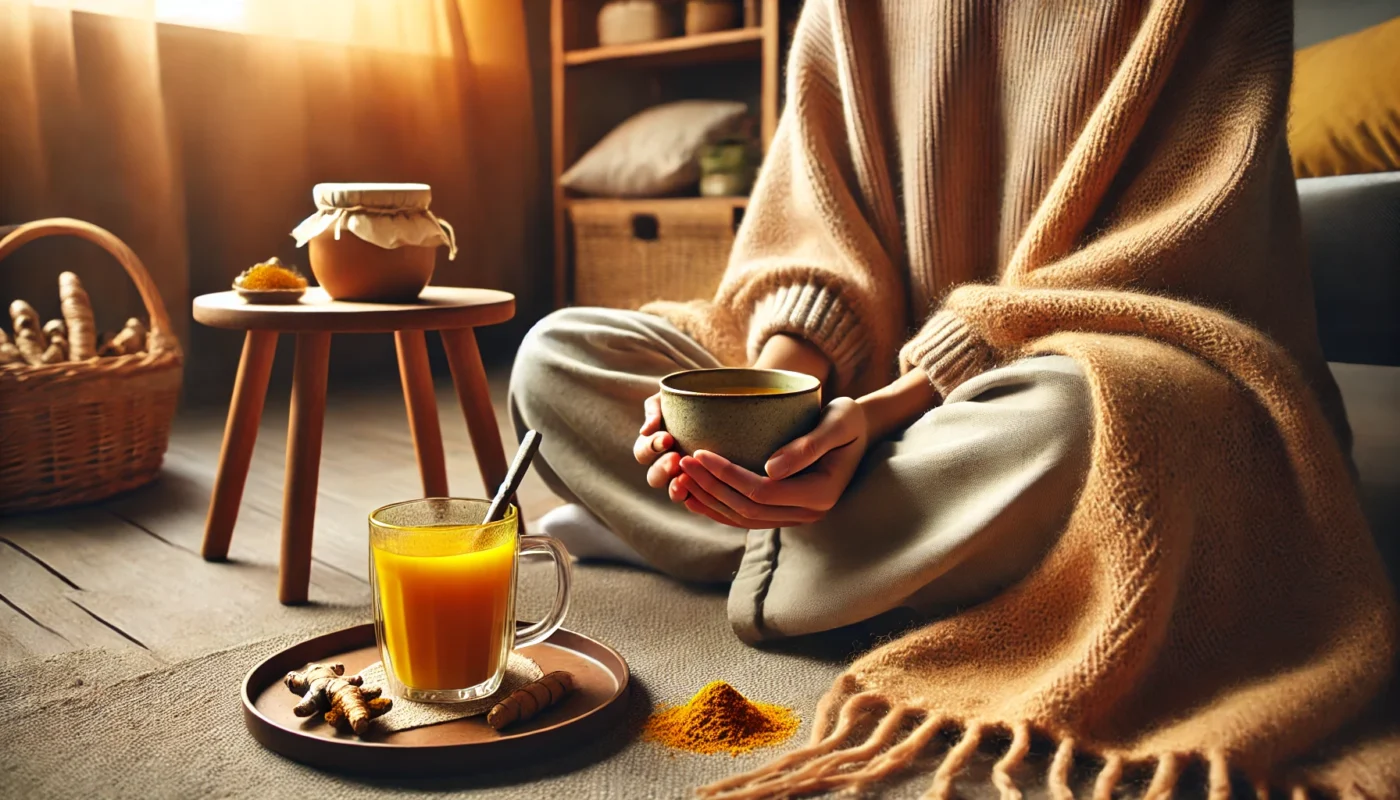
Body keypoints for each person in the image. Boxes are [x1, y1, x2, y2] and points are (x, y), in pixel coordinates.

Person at [510, 0, 1348, 644]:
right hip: (864, 390)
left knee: (1075, 423)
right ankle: (849, 547)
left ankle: (698, 542)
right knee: (556, 357)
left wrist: (884, 412)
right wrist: (777, 405)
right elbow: (814, 223)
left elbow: (1170, 258)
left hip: (1059, 370)